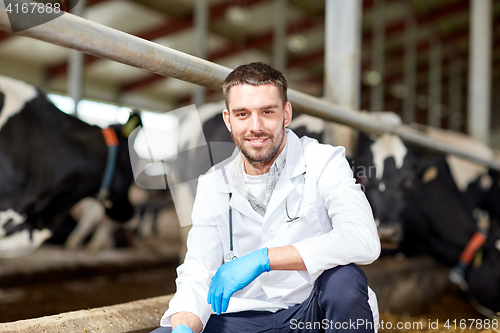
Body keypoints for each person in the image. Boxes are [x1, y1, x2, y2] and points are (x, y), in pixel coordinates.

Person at [154, 62, 381, 333]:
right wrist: (184, 325)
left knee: (344, 281)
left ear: (286, 114)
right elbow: (197, 272)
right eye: (242, 114)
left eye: (267, 112)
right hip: (241, 317)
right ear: (228, 120)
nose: (255, 127)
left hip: (309, 312)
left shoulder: (324, 161)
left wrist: (263, 259)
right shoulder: (212, 184)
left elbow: (363, 239)